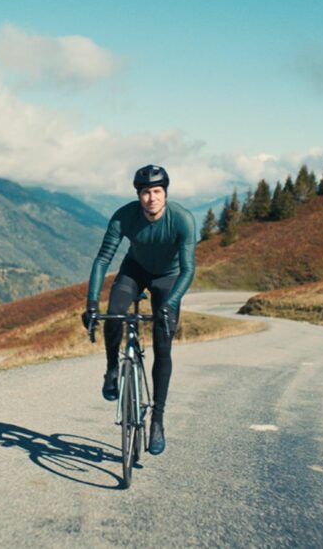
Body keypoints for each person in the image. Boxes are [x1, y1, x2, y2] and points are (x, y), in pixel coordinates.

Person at [81, 164, 195, 455]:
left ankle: (157, 420)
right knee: (115, 311)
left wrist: (169, 306)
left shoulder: (182, 220)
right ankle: (111, 370)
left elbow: (188, 269)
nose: (151, 198)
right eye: (146, 192)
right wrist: (92, 304)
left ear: (165, 193)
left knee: (163, 345)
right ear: (139, 195)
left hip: (168, 278)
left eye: (157, 191)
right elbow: (103, 259)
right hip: (135, 270)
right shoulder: (124, 216)